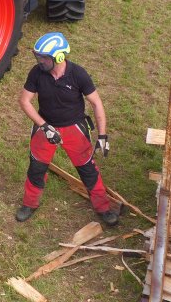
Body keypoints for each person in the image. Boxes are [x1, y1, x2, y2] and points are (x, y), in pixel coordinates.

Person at [15, 32, 119, 226]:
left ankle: (103, 208)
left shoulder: (78, 74)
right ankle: (29, 204)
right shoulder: (36, 73)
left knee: (87, 169)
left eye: (44, 58)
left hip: (75, 129)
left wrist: (103, 135)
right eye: (37, 56)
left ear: (59, 57)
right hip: (45, 128)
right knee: (36, 168)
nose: (39, 61)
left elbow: (96, 103)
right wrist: (44, 127)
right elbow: (24, 101)